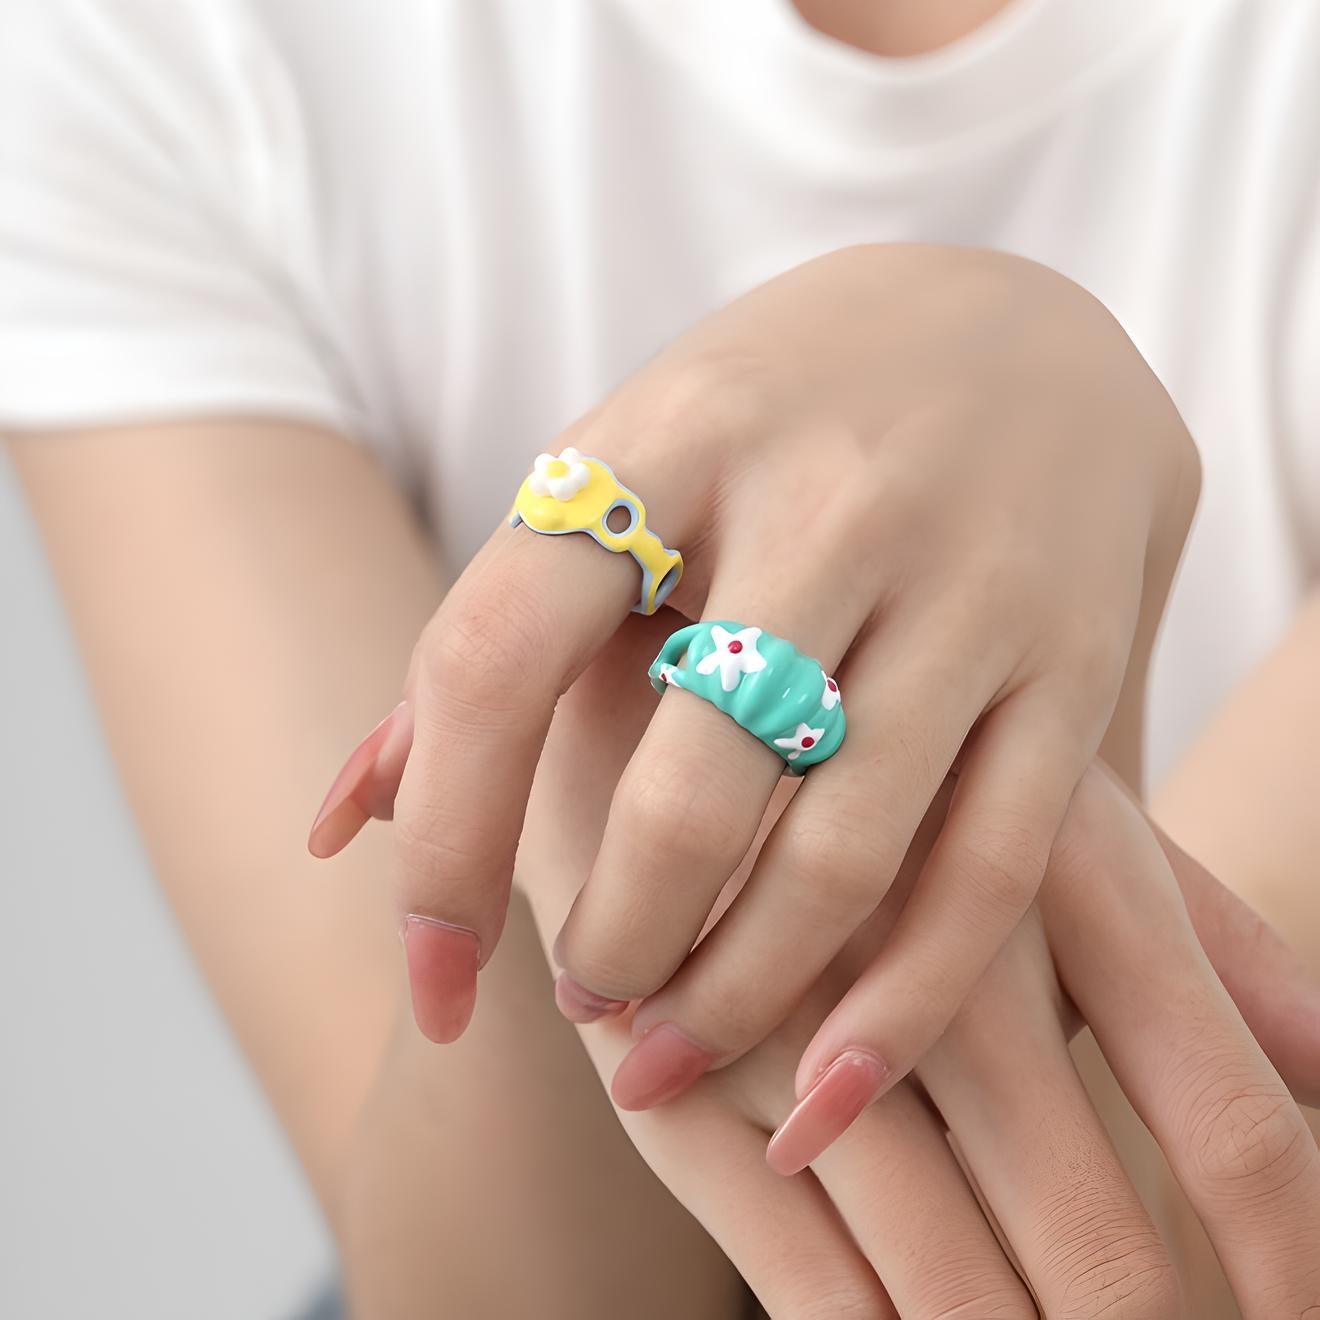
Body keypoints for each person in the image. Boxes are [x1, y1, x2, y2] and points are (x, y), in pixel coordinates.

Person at [2, 0, 1318, 1315]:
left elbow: (1193, 1239)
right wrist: (562, 773)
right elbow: (492, 1283)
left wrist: (1078, 537)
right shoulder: (164, 39)